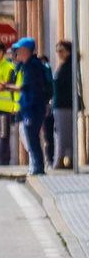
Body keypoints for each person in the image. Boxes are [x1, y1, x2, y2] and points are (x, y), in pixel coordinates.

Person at [13, 37, 53, 177]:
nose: (17, 52)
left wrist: (7, 87)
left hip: (33, 108)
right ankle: (36, 166)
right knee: (31, 138)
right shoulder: (25, 66)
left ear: (26, 51)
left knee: (32, 138)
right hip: (28, 108)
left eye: (19, 50)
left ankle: (38, 168)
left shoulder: (33, 66)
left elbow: (28, 87)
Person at [54, 41, 77, 170]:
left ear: (68, 51)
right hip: (60, 105)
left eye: (61, 50)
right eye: (57, 51)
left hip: (66, 105)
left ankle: (61, 160)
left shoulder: (70, 66)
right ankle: (64, 159)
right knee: (61, 133)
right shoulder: (63, 66)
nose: (59, 53)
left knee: (63, 135)